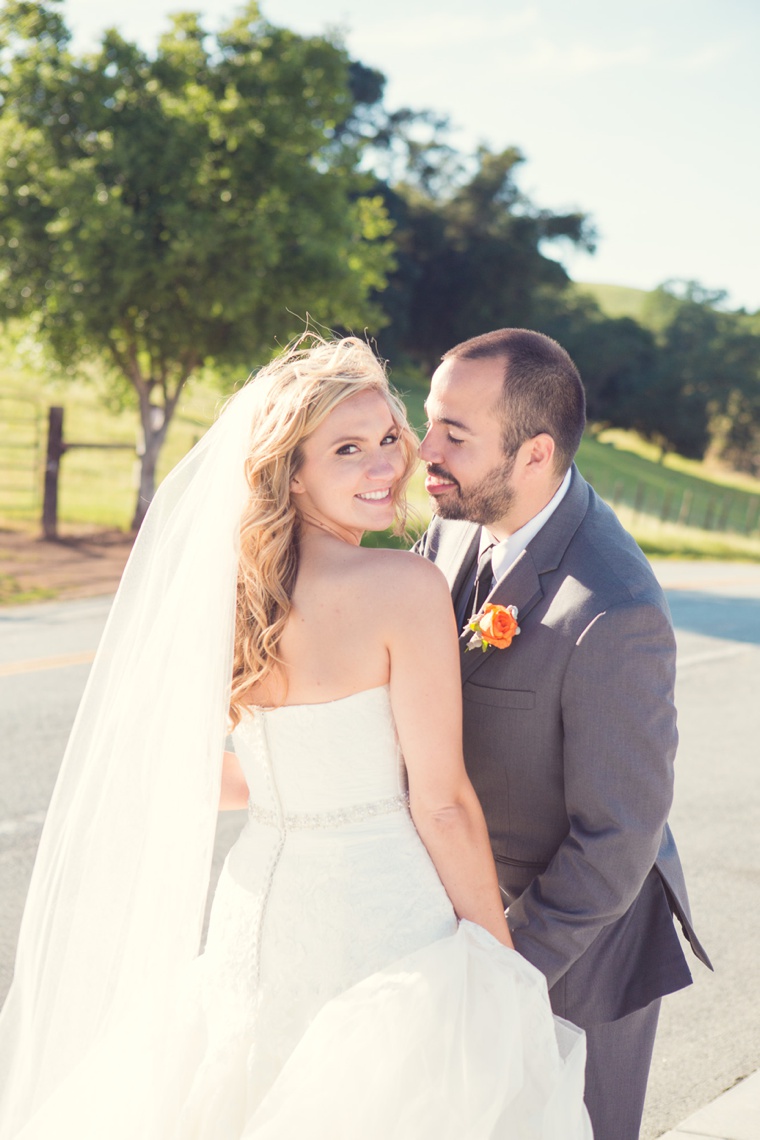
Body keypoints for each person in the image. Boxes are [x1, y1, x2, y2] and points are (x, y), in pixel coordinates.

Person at [0, 335, 592, 1139]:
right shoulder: (402, 586)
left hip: (252, 909)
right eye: (347, 449)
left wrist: (297, 796)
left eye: (389, 436)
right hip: (375, 915)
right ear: (292, 470)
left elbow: (215, 775)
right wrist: (500, 968)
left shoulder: (238, 593)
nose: (387, 464)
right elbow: (442, 803)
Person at [414, 327, 712, 1140]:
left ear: (534, 454)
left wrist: (504, 970)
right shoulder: (452, 522)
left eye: (454, 434)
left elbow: (617, 839)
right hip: (461, 930)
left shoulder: (614, 611)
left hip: (575, 961)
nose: (422, 448)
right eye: (429, 420)